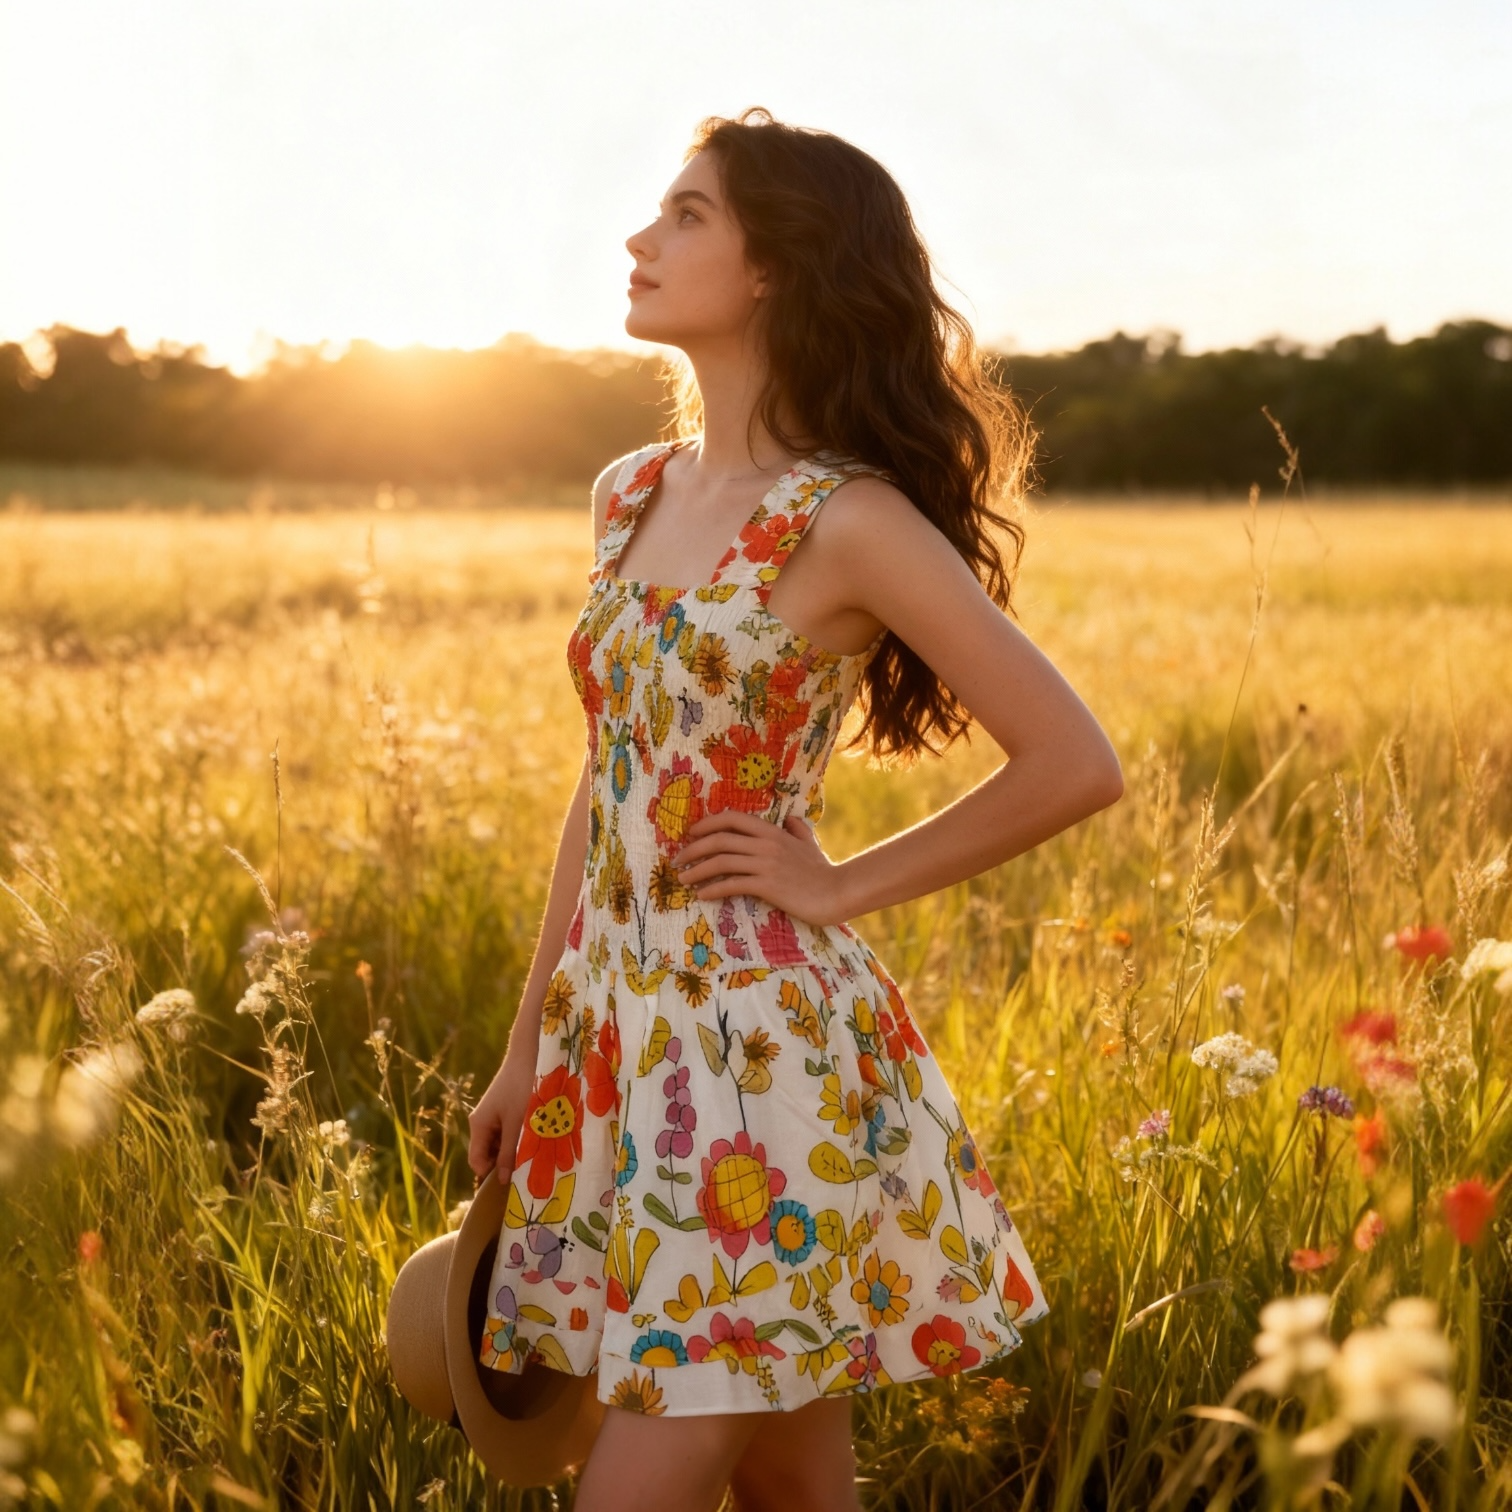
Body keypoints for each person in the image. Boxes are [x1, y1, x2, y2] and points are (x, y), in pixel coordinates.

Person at [465, 107, 1124, 1512]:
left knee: (668, 1449)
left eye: (688, 214)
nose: (641, 239)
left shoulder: (846, 520)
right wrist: (532, 1043)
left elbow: (1075, 761)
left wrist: (834, 886)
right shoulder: (628, 493)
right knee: (792, 1483)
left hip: (755, 1057)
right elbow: (611, 775)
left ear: (775, 267)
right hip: (618, 1034)